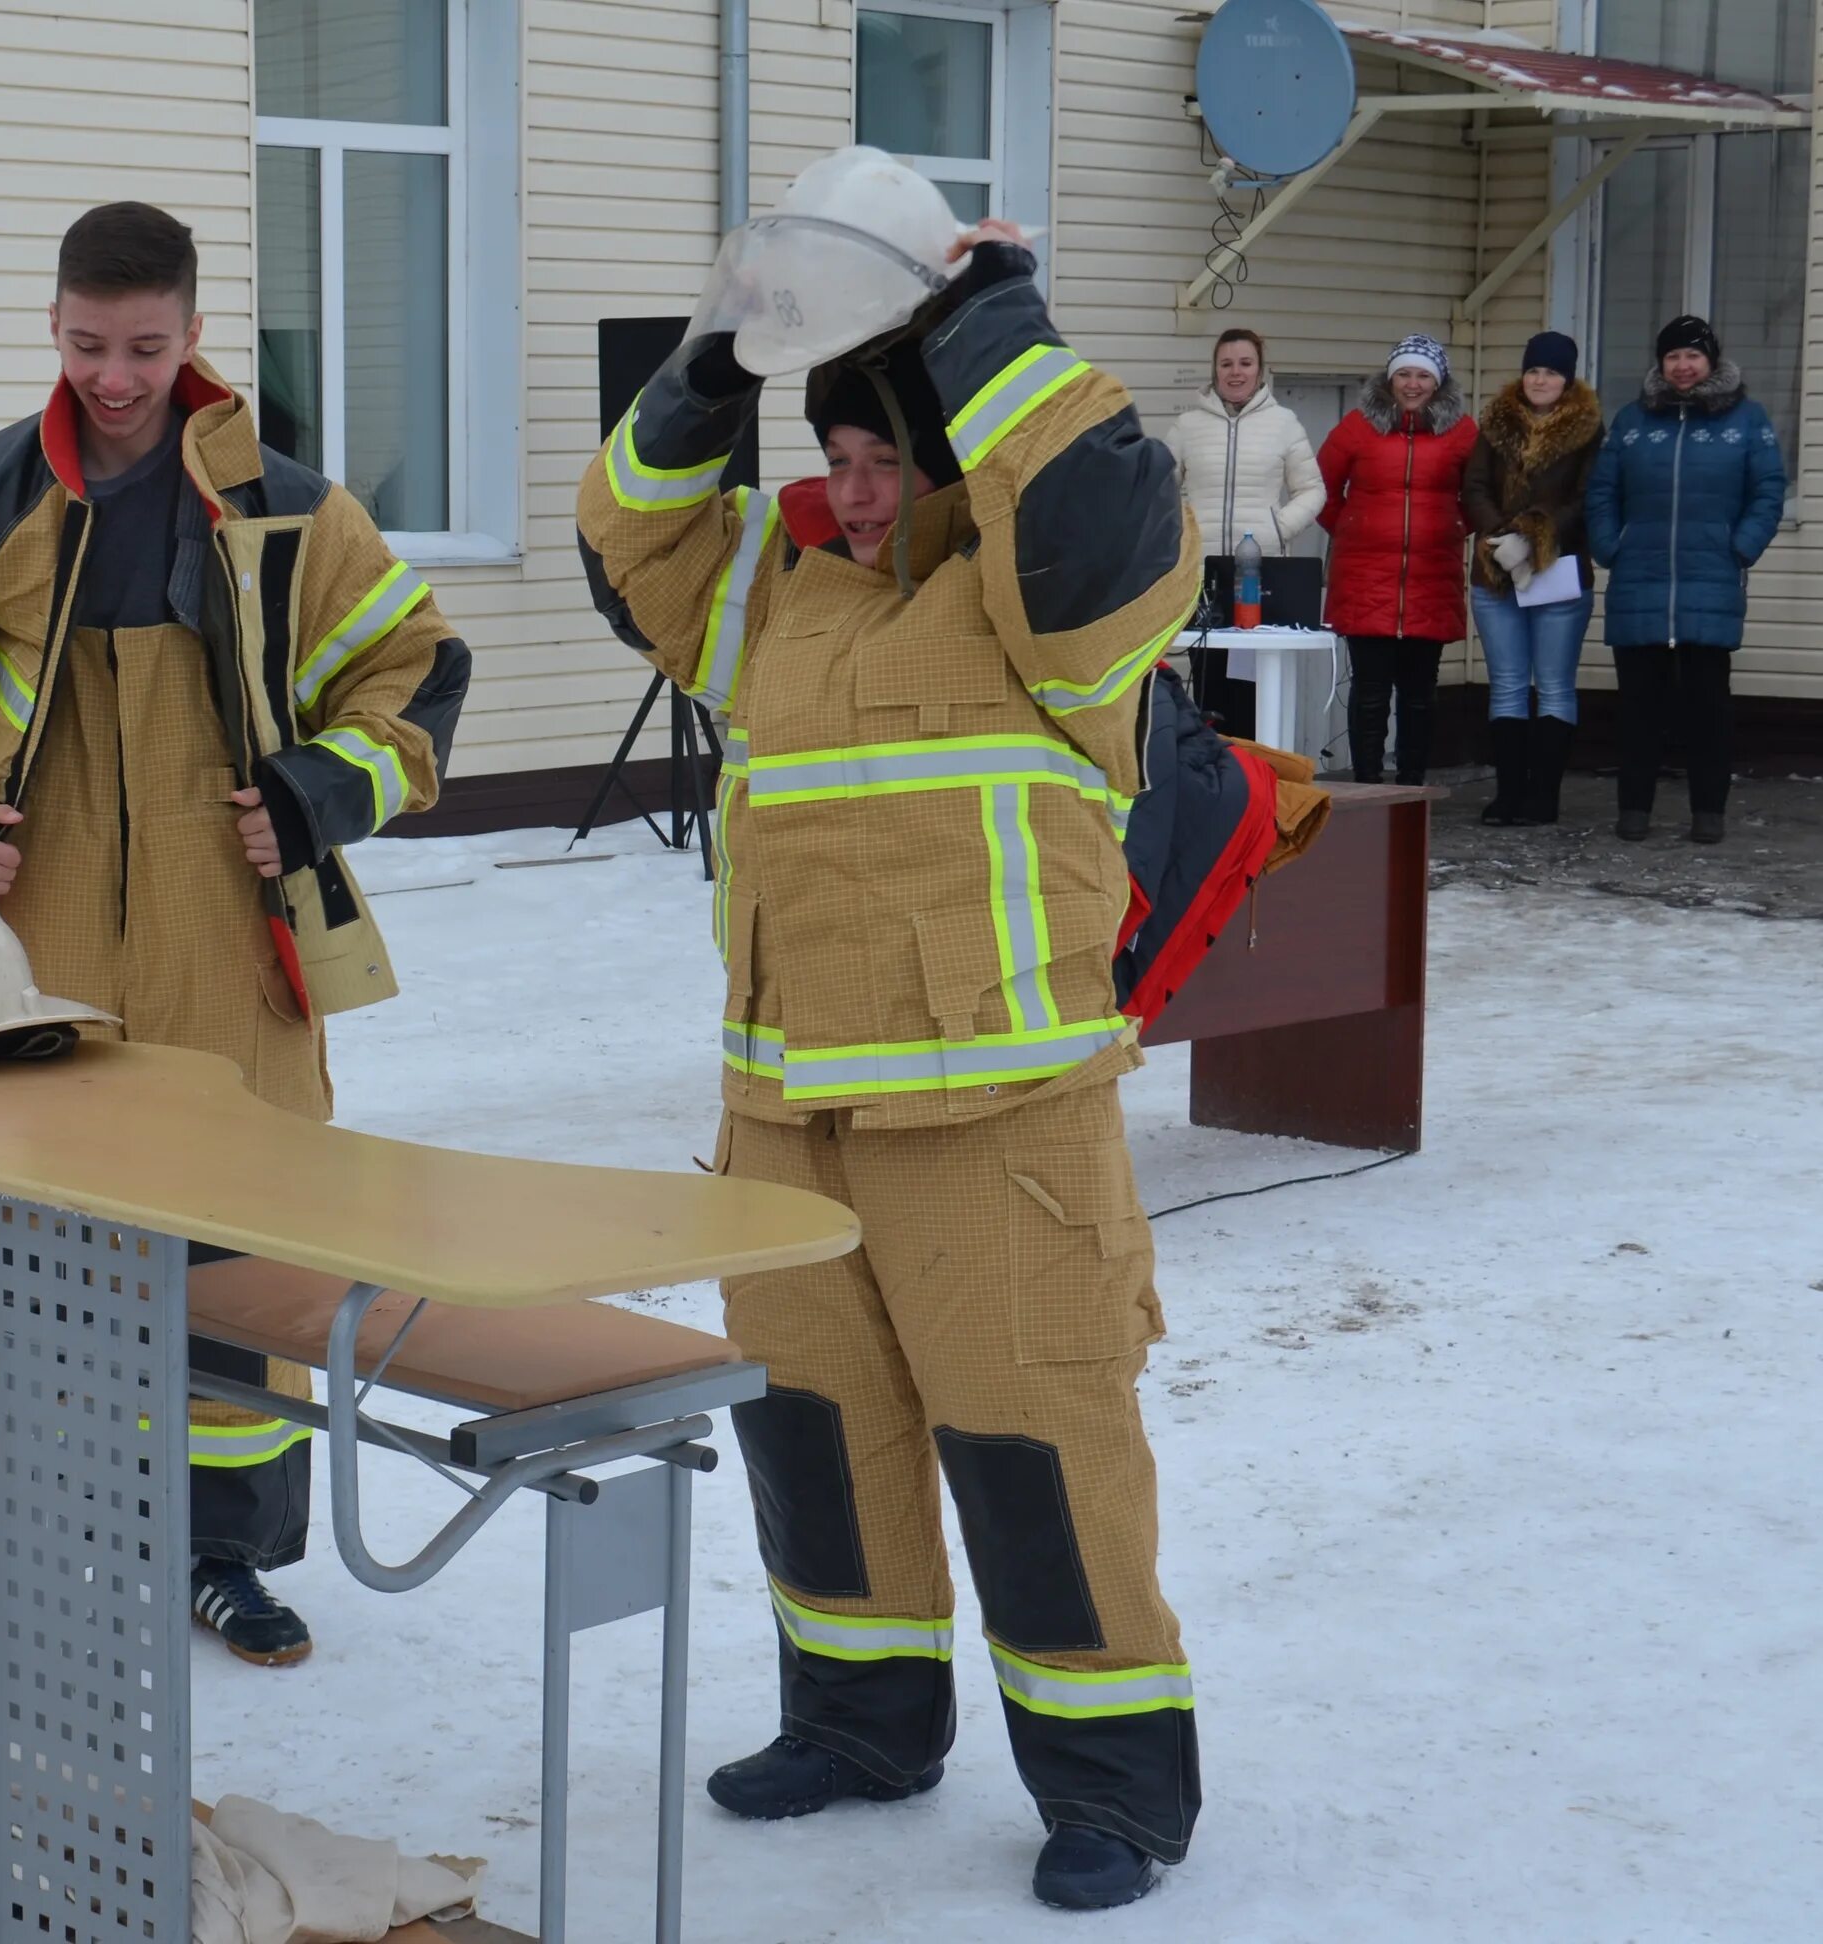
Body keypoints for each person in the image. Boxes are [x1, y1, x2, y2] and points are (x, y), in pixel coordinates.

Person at [578, 162, 1202, 1909]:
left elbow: (1085, 500)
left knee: (1035, 1441)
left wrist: (987, 316)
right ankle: (860, 1723)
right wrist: (712, 361)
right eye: (830, 459)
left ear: (944, 458)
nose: (849, 496)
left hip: (999, 1120)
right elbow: (627, 540)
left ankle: (1111, 1783)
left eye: (882, 463)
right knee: (818, 1434)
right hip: (787, 1118)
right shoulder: (766, 609)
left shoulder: (1050, 618)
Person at [0, 201, 470, 1667]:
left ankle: (224, 1555)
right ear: (54, 327)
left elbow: (414, 676)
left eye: (148, 348)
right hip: (27, 947)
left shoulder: (289, 504)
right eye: (92, 345)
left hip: (229, 944)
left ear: (193, 335)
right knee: (33, 1245)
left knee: (231, 1257)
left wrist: (311, 797)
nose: (117, 377)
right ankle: (35, 1546)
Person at [1585, 315, 1785, 845]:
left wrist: (1740, 547)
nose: (1682, 366)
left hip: (1709, 581)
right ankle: (1634, 810)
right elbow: (1602, 491)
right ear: (1661, 363)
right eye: (1673, 356)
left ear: (1711, 361)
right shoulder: (1631, 420)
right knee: (1638, 710)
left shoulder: (1747, 420)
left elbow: (1768, 489)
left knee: (1708, 710)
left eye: (1692, 356)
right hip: (1639, 582)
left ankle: (1708, 813)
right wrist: (1610, 546)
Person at [1316, 335, 1476, 783]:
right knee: (1369, 692)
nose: (1412, 384)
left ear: (1437, 382)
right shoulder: (1356, 427)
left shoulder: (1461, 432)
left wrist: (1454, 526)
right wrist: (1351, 528)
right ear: (1389, 379)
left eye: (1422, 375)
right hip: (1365, 579)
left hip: (1432, 578)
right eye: (1404, 374)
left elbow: (1480, 492)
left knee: (1419, 694)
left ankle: (1411, 787)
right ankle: (1367, 785)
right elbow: (1321, 489)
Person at [1460, 331, 1603, 826]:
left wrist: (1534, 536)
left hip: (1559, 573)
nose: (1541, 380)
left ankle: (1544, 795)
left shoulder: (1588, 430)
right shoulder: (1496, 424)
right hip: (1496, 572)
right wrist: (1502, 540)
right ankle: (1509, 795)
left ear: (1567, 380)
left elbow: (1586, 499)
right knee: (1507, 686)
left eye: (1552, 372)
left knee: (1556, 686)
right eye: (1534, 370)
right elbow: (1474, 485)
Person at [1167, 328, 1324, 736]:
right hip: (1203, 576)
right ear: (1215, 369)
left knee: (1250, 688)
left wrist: (1278, 528)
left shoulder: (1283, 424)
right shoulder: (1187, 425)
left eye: (1245, 363)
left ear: (1260, 370)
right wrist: (1182, 535)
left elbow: (1313, 490)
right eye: (1226, 364)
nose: (1235, 373)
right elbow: (1158, 489)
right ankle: (1216, 781)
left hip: (1260, 575)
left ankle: (1260, 778)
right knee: (1209, 687)